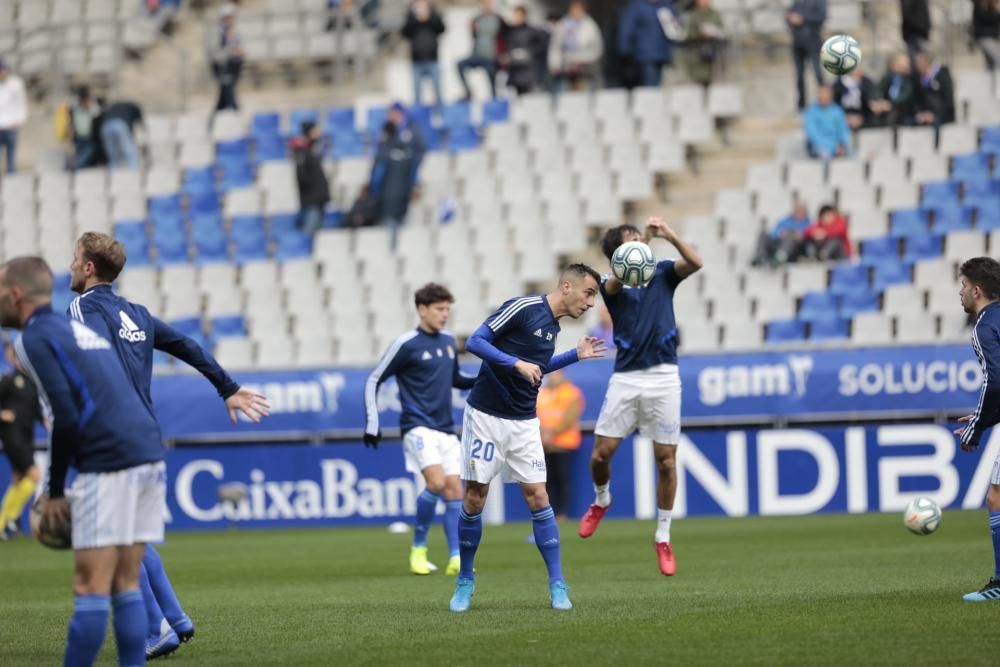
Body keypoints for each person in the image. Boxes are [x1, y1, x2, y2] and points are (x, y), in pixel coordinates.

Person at [67, 232, 270, 659]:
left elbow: (90, 361)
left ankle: (156, 628)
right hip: (146, 434)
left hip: (111, 435)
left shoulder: (81, 309)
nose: (69, 266)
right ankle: (175, 618)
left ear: (88, 268)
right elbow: (188, 345)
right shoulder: (137, 312)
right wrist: (227, 388)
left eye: (74, 259)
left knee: (116, 539)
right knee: (135, 535)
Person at [0, 256, 162, 667]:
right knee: (124, 583)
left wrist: (54, 490)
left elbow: (66, 416)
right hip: (146, 450)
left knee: (90, 585)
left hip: (109, 460)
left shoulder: (33, 339)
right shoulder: (74, 326)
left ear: (15, 294)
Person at [450, 264, 607, 612]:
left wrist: (574, 356)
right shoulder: (523, 308)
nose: (591, 303)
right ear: (567, 286)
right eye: (589, 293)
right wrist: (514, 363)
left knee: (538, 496)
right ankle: (465, 580)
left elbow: (536, 369)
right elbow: (475, 341)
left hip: (523, 422)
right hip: (485, 417)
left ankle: (558, 584)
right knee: (475, 499)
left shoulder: (553, 327)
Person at [579, 217, 704, 577]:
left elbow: (696, 263)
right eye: (629, 240)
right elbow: (618, 282)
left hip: (664, 377)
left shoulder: (663, 272)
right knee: (601, 455)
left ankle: (662, 536)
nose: (638, 241)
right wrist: (634, 251)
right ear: (617, 252)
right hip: (627, 379)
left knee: (666, 461)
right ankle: (602, 500)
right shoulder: (610, 284)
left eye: (638, 238)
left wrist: (669, 235)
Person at [363, 283, 477, 576]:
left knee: (455, 489)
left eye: (447, 310)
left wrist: (483, 378)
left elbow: (456, 379)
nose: (444, 315)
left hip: (445, 428)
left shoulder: (449, 342)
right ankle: (418, 548)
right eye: (439, 309)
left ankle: (455, 557)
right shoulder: (406, 343)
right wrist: (373, 423)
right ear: (422, 309)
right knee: (437, 483)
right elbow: (374, 379)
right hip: (417, 426)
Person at [954, 257, 1000, 602]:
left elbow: (996, 382)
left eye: (963, 285)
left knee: (996, 497)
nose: (961, 292)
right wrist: (982, 417)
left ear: (977, 290)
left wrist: (977, 429)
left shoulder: (984, 327)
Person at [0, 344, 43, 539]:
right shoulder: (8, 380)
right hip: (12, 435)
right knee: (34, 475)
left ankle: (2, 524)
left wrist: (45, 421)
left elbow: (34, 409)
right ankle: (8, 517)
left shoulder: (31, 382)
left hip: (27, 436)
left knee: (18, 480)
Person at [369, 103, 426, 248]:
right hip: (392, 190)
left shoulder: (410, 132)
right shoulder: (389, 137)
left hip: (399, 188)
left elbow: (420, 151)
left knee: (400, 223)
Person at [537, 369, 584, 521]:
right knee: (548, 481)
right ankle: (549, 512)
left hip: (564, 444)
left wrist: (552, 433)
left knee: (563, 479)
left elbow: (570, 417)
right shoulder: (542, 393)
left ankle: (562, 513)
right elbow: (535, 414)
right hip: (545, 444)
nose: (553, 376)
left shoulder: (571, 392)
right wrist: (542, 433)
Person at [549, 0, 604, 91]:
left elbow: (597, 48)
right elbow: (555, 46)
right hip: (567, 67)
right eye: (573, 9)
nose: (575, 12)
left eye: (578, 9)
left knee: (583, 94)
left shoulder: (590, 25)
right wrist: (554, 63)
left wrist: (585, 60)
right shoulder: (563, 24)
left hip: (585, 68)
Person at [456, 0, 507, 100]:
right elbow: (474, 36)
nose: (486, 6)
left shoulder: (498, 19)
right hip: (478, 55)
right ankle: (468, 91)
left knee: (492, 84)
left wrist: (503, 54)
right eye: (484, 3)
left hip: (492, 57)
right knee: (460, 64)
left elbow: (505, 37)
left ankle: (494, 101)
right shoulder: (477, 19)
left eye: (488, 3)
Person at [618, 0, 675, 88]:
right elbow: (627, 28)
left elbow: (676, 26)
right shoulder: (637, 5)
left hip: (664, 54)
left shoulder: (666, 5)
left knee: (661, 86)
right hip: (646, 55)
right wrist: (625, 51)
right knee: (650, 86)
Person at [402, 0, 446, 108]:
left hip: (432, 60)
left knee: (437, 90)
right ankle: (418, 115)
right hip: (416, 61)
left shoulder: (433, 14)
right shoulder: (411, 15)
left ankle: (440, 113)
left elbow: (441, 28)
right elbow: (405, 32)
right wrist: (415, 18)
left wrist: (429, 16)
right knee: (417, 93)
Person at [291, 122, 331, 237]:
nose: (319, 134)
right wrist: (315, 190)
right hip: (312, 202)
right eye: (316, 131)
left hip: (318, 201)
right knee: (307, 236)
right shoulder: (302, 152)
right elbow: (302, 176)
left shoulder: (312, 151)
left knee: (317, 238)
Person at [786, 0, 826, 110]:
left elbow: (821, 17)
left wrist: (802, 19)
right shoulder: (797, 2)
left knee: (818, 73)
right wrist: (790, 18)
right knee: (799, 76)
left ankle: (825, 101)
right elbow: (789, 15)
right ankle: (802, 105)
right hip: (798, 43)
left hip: (813, 42)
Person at [207, 3, 244, 113]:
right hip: (222, 69)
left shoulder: (233, 33)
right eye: (228, 17)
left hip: (233, 69)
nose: (231, 20)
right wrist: (230, 52)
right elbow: (214, 54)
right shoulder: (216, 32)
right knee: (229, 94)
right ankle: (236, 113)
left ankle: (214, 119)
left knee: (223, 100)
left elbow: (238, 47)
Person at [752, 201, 811, 267]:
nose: (799, 212)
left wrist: (800, 236)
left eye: (801, 210)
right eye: (797, 210)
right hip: (779, 242)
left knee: (790, 232)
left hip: (793, 249)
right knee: (763, 233)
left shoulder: (808, 223)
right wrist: (779, 233)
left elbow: (809, 236)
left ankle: (780, 257)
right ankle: (760, 257)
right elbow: (774, 232)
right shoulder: (785, 220)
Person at [683, 0, 724, 89]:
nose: (704, 2)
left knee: (711, 83)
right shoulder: (693, 15)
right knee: (697, 82)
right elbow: (688, 34)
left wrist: (714, 33)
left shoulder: (715, 14)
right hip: (696, 53)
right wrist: (699, 33)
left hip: (713, 52)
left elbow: (722, 30)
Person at [504, 5, 544, 95]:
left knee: (530, 100)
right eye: (515, 15)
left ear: (524, 16)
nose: (516, 18)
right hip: (515, 72)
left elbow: (540, 46)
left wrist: (528, 52)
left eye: (519, 15)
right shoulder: (510, 32)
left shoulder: (532, 31)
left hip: (529, 73)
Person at [803, 85, 851, 159]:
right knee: (824, 155)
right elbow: (813, 134)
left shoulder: (837, 110)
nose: (824, 100)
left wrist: (842, 144)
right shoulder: (811, 112)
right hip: (819, 147)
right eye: (821, 98)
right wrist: (832, 148)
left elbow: (843, 129)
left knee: (851, 153)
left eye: (826, 98)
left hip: (837, 146)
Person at [870, 53, 917, 126]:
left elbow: (906, 96)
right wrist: (879, 102)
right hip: (887, 109)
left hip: (904, 111)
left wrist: (890, 104)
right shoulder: (888, 77)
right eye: (903, 63)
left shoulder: (910, 79)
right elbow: (878, 90)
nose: (906, 66)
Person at [913, 51, 955, 128]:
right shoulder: (919, 79)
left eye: (918, 63)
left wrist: (934, 116)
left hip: (943, 118)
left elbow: (948, 100)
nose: (916, 66)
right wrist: (922, 114)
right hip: (926, 117)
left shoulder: (942, 75)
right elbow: (918, 101)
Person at [99, 100, 144, 171]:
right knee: (129, 150)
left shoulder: (114, 106)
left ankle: (112, 170)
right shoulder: (135, 108)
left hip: (106, 124)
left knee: (112, 153)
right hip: (120, 124)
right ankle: (133, 169)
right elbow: (140, 124)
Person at [0, 61, 27, 174]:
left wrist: (20, 119)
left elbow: (22, 103)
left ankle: (11, 175)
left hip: (11, 124)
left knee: (11, 154)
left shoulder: (15, 84)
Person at [68, 87, 102, 170]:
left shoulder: (92, 108)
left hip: (89, 138)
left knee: (84, 159)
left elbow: (97, 113)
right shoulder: (75, 109)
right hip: (80, 138)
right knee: (79, 159)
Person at [973, 0, 1000, 71]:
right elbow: (987, 18)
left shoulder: (990, 7)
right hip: (985, 37)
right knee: (997, 59)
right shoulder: (980, 6)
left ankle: (991, 80)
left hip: (990, 38)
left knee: (991, 64)